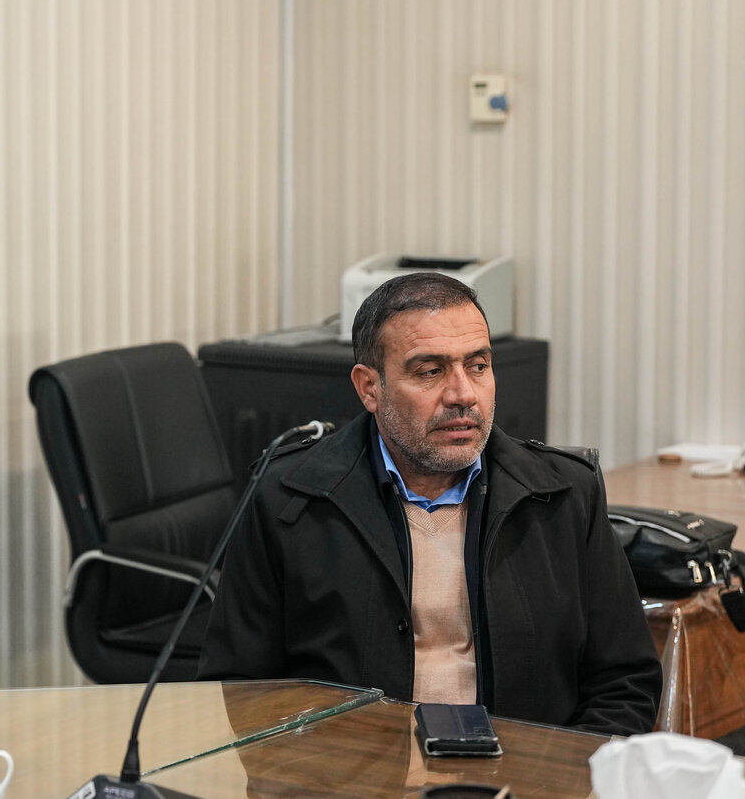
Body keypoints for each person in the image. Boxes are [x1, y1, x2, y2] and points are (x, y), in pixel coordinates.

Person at [198, 271, 661, 736]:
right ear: (369, 388)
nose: (463, 394)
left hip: (526, 769)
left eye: (477, 366)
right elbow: (241, 690)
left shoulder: (563, 496)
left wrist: (561, 769)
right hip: (349, 770)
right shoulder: (289, 500)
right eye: (430, 371)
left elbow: (624, 682)